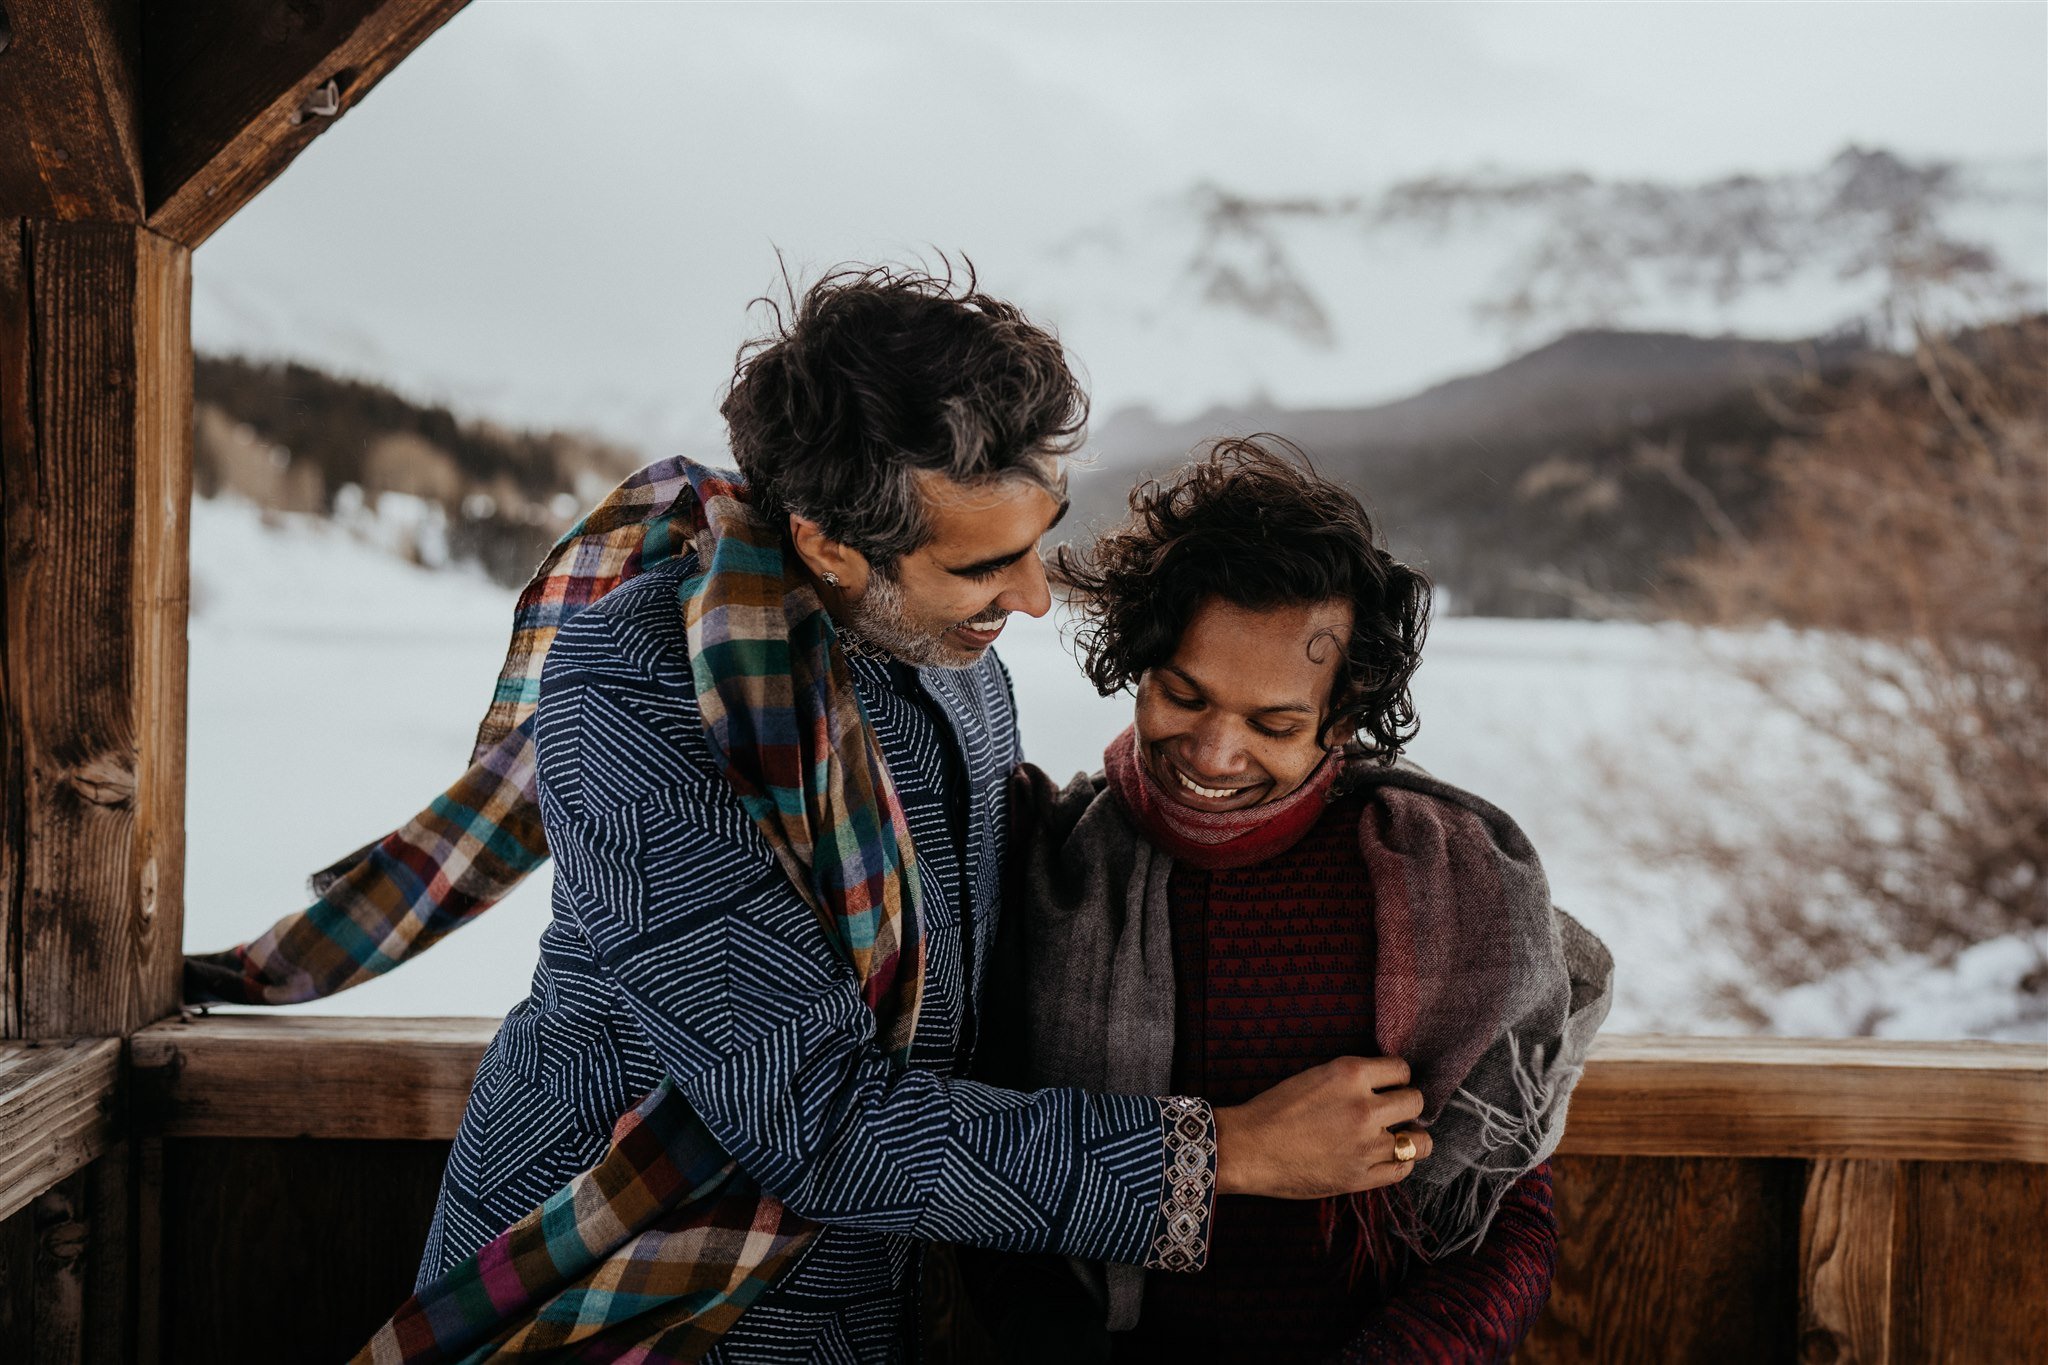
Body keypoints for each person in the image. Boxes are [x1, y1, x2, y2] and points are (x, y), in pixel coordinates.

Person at [259, 268, 1444, 1362]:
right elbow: (813, 1117)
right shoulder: (639, 693)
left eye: (1037, 544)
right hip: (637, 1275)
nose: (1032, 597)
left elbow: (985, 878)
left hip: (889, 1276)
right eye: (986, 567)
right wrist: (1225, 1153)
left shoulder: (940, 646)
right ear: (828, 542)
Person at [966, 437, 1614, 1363]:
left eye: (1275, 723)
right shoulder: (1046, 866)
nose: (1216, 752)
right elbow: (997, 1170)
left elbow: (1503, 1208)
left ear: (1342, 718)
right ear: (1136, 662)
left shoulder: (1448, 881)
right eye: (1182, 694)